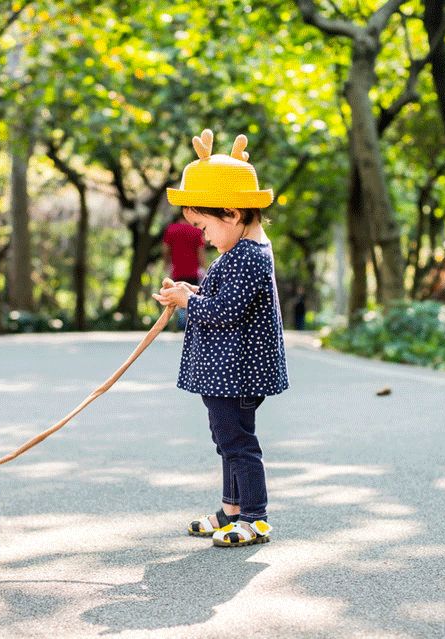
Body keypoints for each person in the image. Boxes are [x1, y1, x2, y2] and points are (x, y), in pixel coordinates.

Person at [153, 130, 288, 547]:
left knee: (238, 442)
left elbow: (226, 312)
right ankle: (231, 511)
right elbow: (222, 299)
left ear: (231, 213)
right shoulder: (239, 252)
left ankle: (254, 517)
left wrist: (189, 302)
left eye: (203, 226)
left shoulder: (249, 256)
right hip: (228, 371)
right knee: (226, 439)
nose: (202, 237)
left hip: (238, 372)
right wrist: (190, 292)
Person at [162, 212, 205, 329]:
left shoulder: (171, 229)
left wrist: (166, 264)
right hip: (193, 270)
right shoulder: (196, 230)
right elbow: (200, 251)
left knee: (176, 296)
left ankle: (178, 323)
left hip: (177, 270)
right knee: (191, 296)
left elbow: (166, 249)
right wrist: (203, 267)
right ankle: (188, 324)